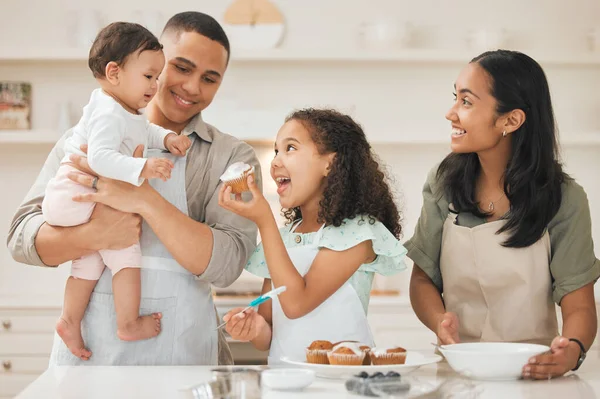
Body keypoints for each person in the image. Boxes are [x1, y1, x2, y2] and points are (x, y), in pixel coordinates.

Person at [7, 12, 261, 366]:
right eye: (181, 68)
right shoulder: (88, 133)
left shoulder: (231, 156)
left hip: (182, 354)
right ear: (152, 60)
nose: (191, 87)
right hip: (90, 355)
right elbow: (22, 240)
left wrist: (145, 200)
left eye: (209, 78)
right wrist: (95, 233)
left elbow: (227, 265)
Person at [405, 49, 600, 379]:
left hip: (532, 372)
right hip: (458, 370)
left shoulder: (564, 198)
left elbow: (579, 303)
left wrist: (572, 351)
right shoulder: (442, 183)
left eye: (466, 102)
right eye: (456, 98)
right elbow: (423, 278)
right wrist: (439, 321)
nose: (451, 113)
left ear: (511, 120)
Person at [46, 21, 193, 361]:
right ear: (114, 72)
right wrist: (143, 167)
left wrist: (167, 139)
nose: (156, 86)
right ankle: (128, 322)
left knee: (90, 261)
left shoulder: (121, 110)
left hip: (72, 199)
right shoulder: (109, 114)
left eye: (157, 77)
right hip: (75, 193)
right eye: (148, 76)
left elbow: (143, 131)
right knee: (126, 252)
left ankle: (69, 319)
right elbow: (99, 157)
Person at [219, 108, 407, 363]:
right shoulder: (281, 239)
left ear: (330, 163)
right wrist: (253, 327)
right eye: (276, 151)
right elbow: (268, 333)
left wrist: (264, 220)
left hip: (341, 385)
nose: (275, 162)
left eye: (291, 148)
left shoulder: (357, 234)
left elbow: (296, 304)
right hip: (287, 384)